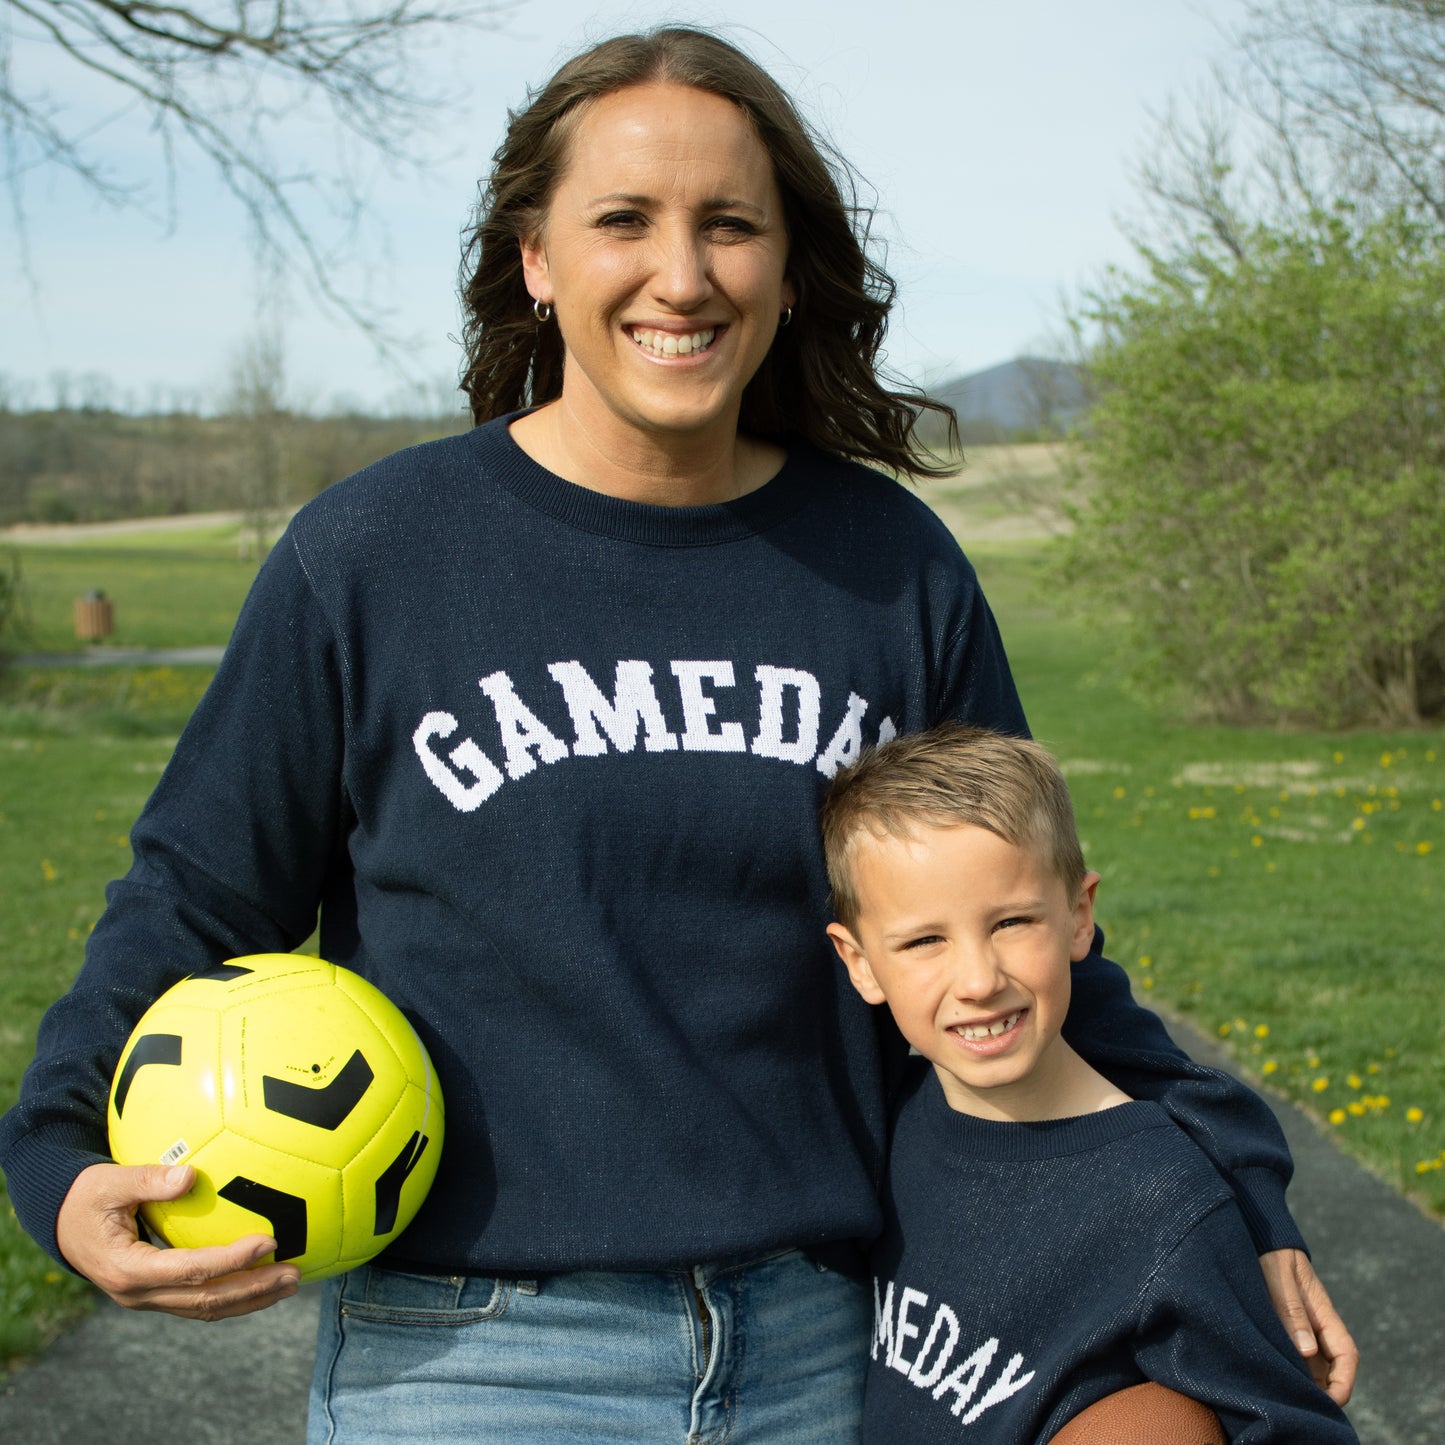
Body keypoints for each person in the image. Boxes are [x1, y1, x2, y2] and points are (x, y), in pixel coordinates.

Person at [0, 25, 1354, 1443]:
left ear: (784, 265)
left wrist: (1233, 1187)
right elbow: (194, 894)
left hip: (839, 1340)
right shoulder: (375, 557)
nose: (683, 273)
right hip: (478, 1360)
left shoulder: (888, 567)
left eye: (729, 225)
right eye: (623, 221)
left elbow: (1008, 922)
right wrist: (53, 1153)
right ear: (535, 257)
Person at [820, 725, 1360, 1443]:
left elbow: (1291, 1425)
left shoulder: (1160, 1198)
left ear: (1078, 916)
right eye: (925, 940)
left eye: (1011, 921)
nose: (979, 980)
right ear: (857, 962)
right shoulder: (903, 1120)